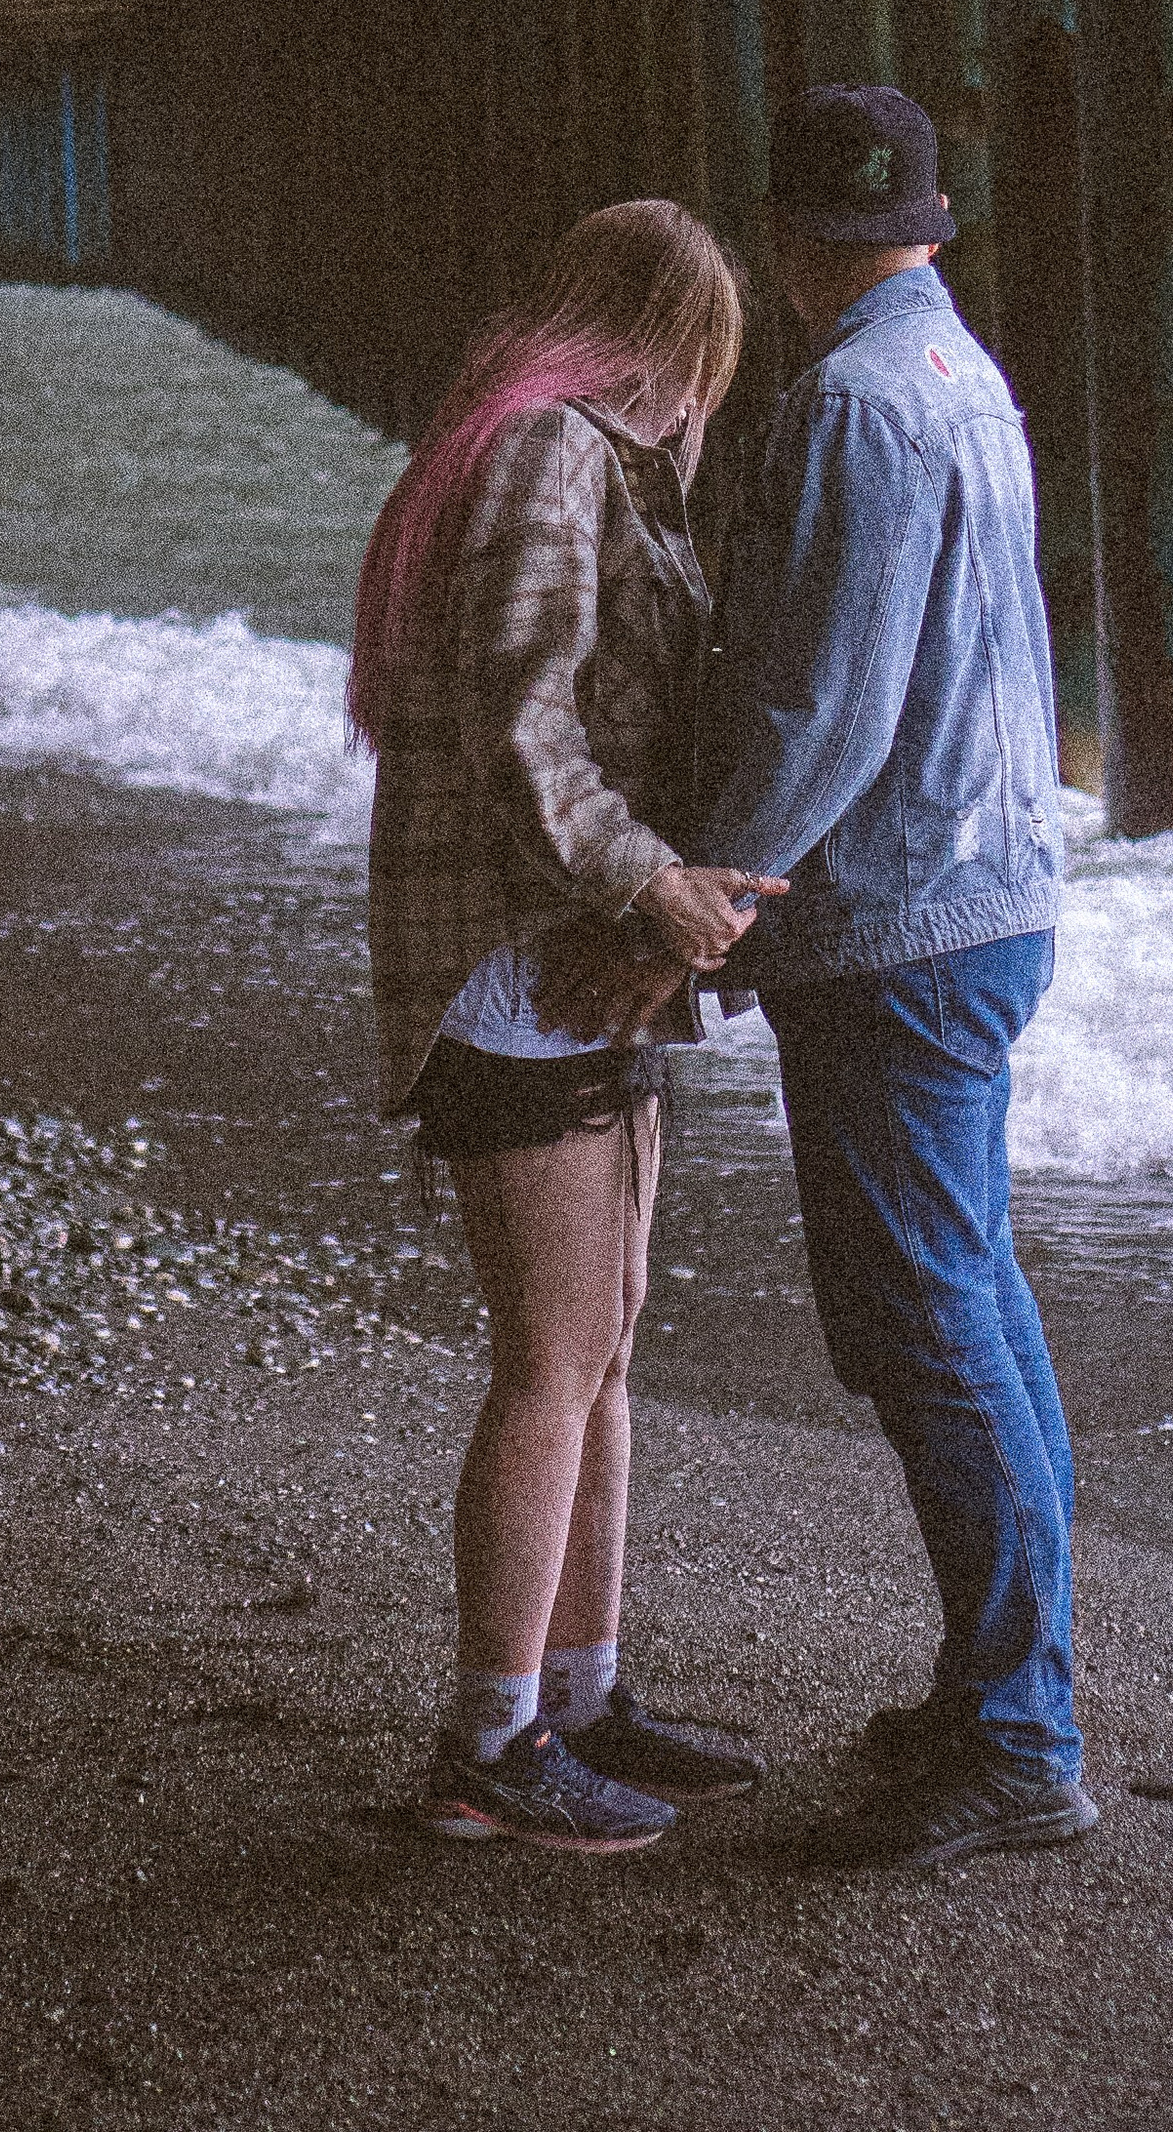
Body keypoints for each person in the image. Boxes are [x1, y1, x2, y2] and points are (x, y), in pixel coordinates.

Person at [690, 85, 1096, 1867]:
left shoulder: (853, 402)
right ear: (931, 222)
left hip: (900, 924)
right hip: (992, 891)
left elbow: (827, 706)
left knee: (928, 1324)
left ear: (786, 240)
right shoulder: (961, 375)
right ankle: (1007, 1692)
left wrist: (710, 897)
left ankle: (1020, 1737)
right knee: (971, 1300)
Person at [350, 199, 779, 1855]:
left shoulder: (570, 452)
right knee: (550, 1359)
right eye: (704, 359)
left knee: (603, 1344)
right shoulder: (546, 453)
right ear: (667, 343)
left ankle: (582, 1698)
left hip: (567, 957)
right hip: (513, 963)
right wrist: (648, 883)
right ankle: (488, 1746)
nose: (702, 398)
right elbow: (516, 724)